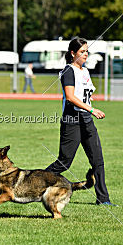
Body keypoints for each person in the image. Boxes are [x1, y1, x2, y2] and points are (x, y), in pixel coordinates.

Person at [45, 37, 117, 206]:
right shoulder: (68, 71)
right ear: (73, 53)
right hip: (72, 120)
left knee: (97, 160)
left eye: (87, 51)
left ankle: (103, 200)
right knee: (64, 162)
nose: (86, 54)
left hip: (86, 120)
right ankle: (35, 181)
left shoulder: (85, 71)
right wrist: (92, 109)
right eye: (82, 51)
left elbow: (85, 93)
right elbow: (70, 97)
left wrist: (89, 102)